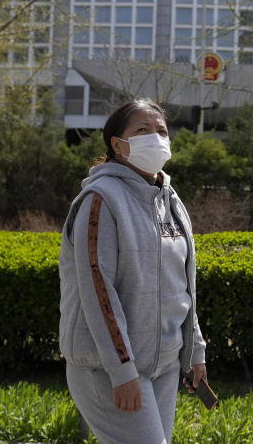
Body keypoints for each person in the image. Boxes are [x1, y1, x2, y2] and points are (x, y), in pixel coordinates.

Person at [59, 98, 207, 444]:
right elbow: (98, 289)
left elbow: (184, 286)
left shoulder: (171, 201)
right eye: (143, 130)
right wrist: (121, 370)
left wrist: (194, 352)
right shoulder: (101, 199)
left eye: (161, 131)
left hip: (164, 367)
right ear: (117, 143)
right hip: (107, 369)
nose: (155, 138)